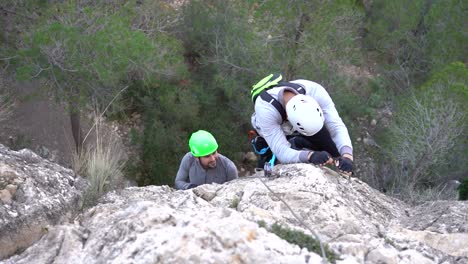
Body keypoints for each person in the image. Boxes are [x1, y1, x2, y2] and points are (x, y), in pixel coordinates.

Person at [250, 74, 354, 175]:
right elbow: (281, 151)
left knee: (334, 152)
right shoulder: (266, 110)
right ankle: (273, 147)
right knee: (282, 151)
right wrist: (310, 156)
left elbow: (336, 126)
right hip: (269, 123)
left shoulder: (315, 91)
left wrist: (347, 156)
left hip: (305, 121)